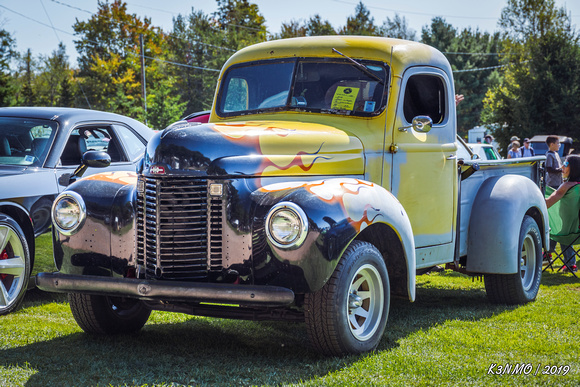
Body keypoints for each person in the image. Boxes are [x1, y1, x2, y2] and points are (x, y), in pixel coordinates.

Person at [545, 154, 580, 272]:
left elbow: (548, 203)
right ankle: (571, 264)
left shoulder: (566, 186)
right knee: (562, 230)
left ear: (574, 167)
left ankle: (546, 254)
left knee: (550, 228)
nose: (561, 167)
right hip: (577, 231)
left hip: (566, 232)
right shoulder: (577, 186)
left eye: (565, 164)